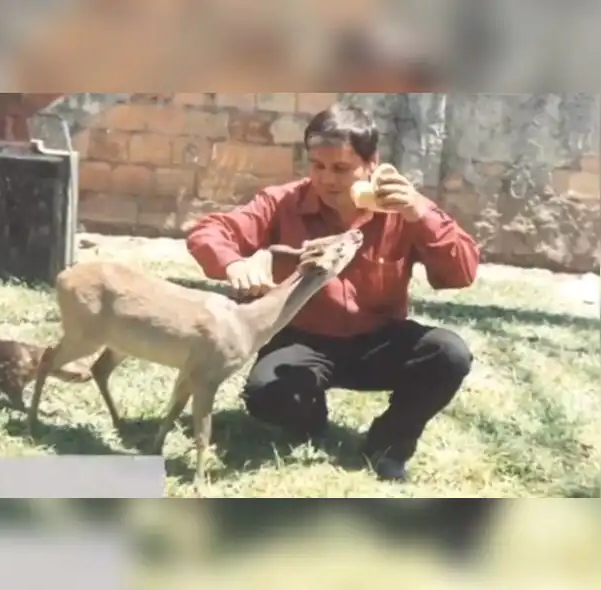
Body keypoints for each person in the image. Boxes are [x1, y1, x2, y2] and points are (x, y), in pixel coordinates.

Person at [185, 103, 480, 482]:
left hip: (377, 341)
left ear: (370, 164)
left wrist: (420, 213)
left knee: (449, 354)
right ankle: (312, 420)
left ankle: (388, 445)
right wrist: (233, 264)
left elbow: (463, 270)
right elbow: (208, 231)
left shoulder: (402, 208)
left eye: (341, 168)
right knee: (266, 396)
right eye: (318, 166)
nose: (326, 179)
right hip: (301, 341)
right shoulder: (284, 202)